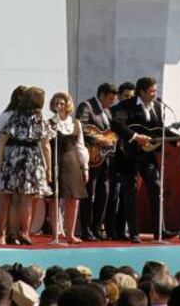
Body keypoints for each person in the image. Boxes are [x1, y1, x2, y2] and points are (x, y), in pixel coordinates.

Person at [111, 76, 176, 243]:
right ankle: (134, 233)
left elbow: (159, 130)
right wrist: (135, 136)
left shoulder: (157, 107)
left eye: (156, 91)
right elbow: (117, 124)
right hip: (128, 155)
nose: (155, 94)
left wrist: (179, 139)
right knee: (129, 194)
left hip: (148, 156)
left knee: (156, 187)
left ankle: (159, 231)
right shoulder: (125, 106)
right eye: (152, 91)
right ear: (142, 91)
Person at [0, 86, 53, 245]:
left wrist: (1, 161)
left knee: (15, 198)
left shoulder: (14, 117)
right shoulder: (39, 119)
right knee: (28, 199)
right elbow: (46, 145)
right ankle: (25, 232)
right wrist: (48, 168)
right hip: (31, 157)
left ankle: (12, 233)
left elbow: (2, 140)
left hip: (13, 157)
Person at [76, 82, 118, 240]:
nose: (112, 102)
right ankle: (85, 229)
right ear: (102, 95)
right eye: (111, 99)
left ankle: (97, 227)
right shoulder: (86, 106)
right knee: (88, 193)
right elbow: (81, 126)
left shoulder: (107, 111)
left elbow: (110, 132)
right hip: (91, 157)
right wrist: (99, 139)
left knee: (104, 193)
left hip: (105, 158)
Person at [0, 85, 28, 245]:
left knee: (17, 200)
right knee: (4, 200)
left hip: (20, 163)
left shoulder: (27, 118)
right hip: (4, 161)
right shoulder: (6, 116)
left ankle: (14, 233)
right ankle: (1, 234)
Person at [48, 91, 89, 244]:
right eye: (56, 103)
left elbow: (81, 146)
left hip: (72, 162)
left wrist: (85, 167)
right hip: (55, 161)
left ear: (67, 105)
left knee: (74, 199)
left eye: (62, 103)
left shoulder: (75, 123)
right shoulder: (49, 123)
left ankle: (70, 234)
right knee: (55, 199)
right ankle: (55, 234)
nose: (59, 106)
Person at [105, 81, 136, 240]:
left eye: (131, 96)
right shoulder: (113, 112)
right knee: (114, 195)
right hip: (114, 157)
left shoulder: (134, 112)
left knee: (126, 197)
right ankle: (110, 230)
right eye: (125, 96)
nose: (128, 99)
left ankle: (121, 230)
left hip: (129, 159)